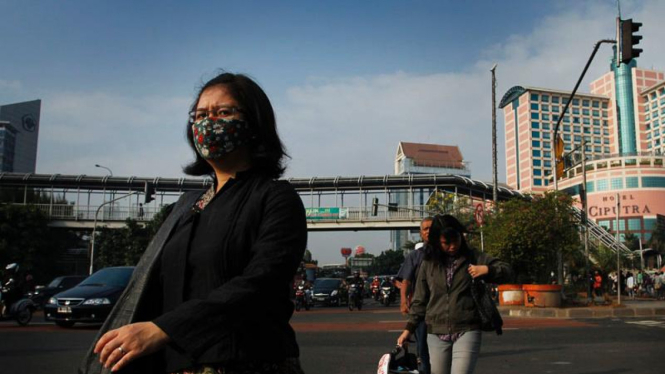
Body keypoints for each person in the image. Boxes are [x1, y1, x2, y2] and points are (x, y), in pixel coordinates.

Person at [81, 72, 308, 374]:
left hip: (251, 363)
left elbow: (261, 283)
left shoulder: (276, 198)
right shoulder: (185, 207)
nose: (208, 122)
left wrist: (164, 329)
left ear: (254, 124)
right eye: (200, 115)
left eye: (223, 112)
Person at [396, 215, 512, 374]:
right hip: (436, 332)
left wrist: (487, 270)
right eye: (446, 243)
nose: (452, 246)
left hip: (467, 328)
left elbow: (506, 270)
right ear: (437, 241)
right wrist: (408, 329)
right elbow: (420, 300)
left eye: (456, 240)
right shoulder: (428, 263)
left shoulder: (473, 256)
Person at [396, 216, 433, 374]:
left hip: (444, 310)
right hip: (421, 310)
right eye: (425, 229)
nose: (429, 231)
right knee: (423, 349)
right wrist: (404, 301)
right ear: (421, 233)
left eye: (432, 228)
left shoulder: (448, 253)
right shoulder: (415, 256)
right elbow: (406, 281)